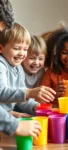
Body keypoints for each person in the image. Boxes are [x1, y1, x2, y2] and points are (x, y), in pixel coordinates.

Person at [0, 0, 41, 138]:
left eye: (25, 49)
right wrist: (14, 124)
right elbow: (2, 92)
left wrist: (35, 106)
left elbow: (20, 98)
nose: (21, 53)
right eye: (17, 48)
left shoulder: (18, 68)